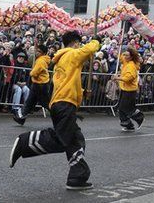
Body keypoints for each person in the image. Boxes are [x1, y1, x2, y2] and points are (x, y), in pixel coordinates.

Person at [9, 30, 101, 191]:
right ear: (75, 43)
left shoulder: (62, 58)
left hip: (62, 103)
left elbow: (67, 82)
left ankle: (77, 177)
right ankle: (24, 142)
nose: (80, 46)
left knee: (75, 140)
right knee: (61, 139)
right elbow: (89, 50)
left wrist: (83, 92)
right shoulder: (72, 54)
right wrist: (96, 41)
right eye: (79, 43)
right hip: (65, 104)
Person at [14, 43, 53, 124]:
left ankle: (60, 116)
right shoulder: (42, 59)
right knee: (30, 101)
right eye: (37, 51)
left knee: (45, 103)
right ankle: (21, 118)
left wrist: (31, 72)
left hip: (40, 85)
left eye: (39, 51)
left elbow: (34, 73)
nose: (37, 52)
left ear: (43, 53)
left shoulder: (41, 61)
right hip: (38, 84)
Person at [114, 47, 144, 132]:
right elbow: (121, 57)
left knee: (126, 108)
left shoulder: (131, 66)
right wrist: (118, 48)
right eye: (125, 54)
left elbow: (129, 78)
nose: (125, 56)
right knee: (122, 107)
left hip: (130, 90)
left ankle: (139, 117)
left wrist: (118, 78)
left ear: (131, 57)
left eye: (127, 55)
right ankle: (127, 124)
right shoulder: (126, 62)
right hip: (124, 89)